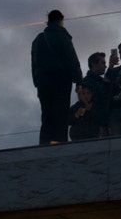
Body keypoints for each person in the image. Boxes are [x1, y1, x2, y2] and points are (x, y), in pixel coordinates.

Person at [30, 9, 82, 145]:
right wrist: (78, 80)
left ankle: (45, 143)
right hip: (60, 79)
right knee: (61, 112)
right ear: (61, 20)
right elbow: (71, 59)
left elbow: (34, 64)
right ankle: (59, 143)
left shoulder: (38, 39)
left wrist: (37, 83)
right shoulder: (62, 36)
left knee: (47, 114)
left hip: (43, 82)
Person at [82, 52, 110, 133]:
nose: (105, 66)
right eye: (103, 63)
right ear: (93, 64)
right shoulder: (87, 82)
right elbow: (91, 105)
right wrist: (101, 124)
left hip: (102, 124)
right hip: (95, 126)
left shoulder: (99, 82)